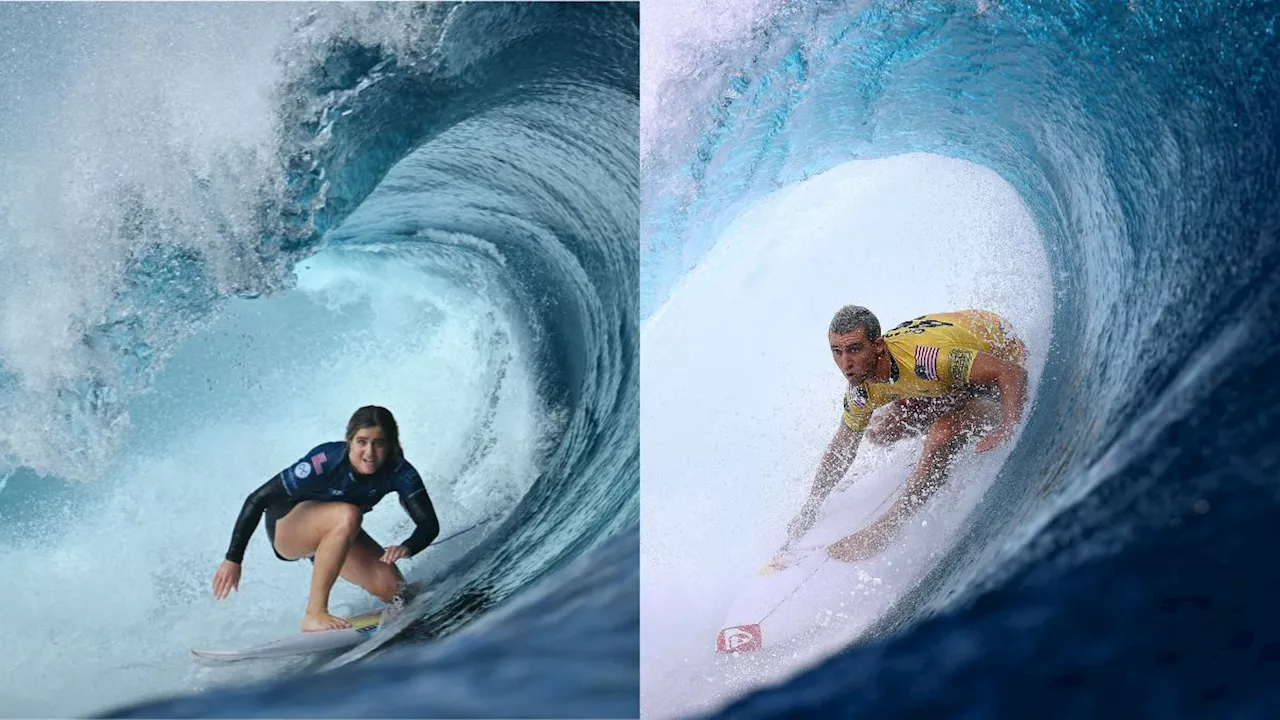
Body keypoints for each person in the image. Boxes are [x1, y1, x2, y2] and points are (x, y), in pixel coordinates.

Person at [787, 306, 1027, 563]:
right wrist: (813, 503)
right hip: (955, 359)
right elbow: (843, 444)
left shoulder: (925, 360)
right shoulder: (862, 387)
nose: (846, 363)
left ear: (878, 346)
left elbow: (1012, 373)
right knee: (880, 430)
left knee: (941, 434)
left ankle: (887, 528)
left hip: (1001, 353)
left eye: (855, 349)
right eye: (837, 351)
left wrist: (1008, 425)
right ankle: (945, 427)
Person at [211, 405, 440, 631]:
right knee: (349, 514)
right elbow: (257, 499)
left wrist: (408, 546)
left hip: (335, 531)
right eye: (362, 442)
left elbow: (429, 524)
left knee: (396, 591)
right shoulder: (324, 461)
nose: (369, 453)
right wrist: (233, 558)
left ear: (391, 445)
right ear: (350, 441)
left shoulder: (401, 472)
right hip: (288, 525)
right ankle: (315, 613)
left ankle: (391, 598)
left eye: (378, 444)